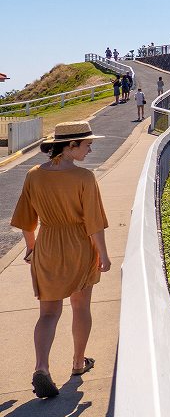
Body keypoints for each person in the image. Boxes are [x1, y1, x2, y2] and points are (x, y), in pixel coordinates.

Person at [10, 121, 111, 399]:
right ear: (70, 146)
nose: (91, 148)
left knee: (48, 313)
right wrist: (103, 253)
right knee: (80, 306)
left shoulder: (34, 175)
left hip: (48, 244)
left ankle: (41, 367)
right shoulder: (84, 178)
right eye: (87, 144)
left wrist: (31, 249)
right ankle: (78, 363)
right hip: (79, 245)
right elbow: (94, 223)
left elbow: (26, 221)